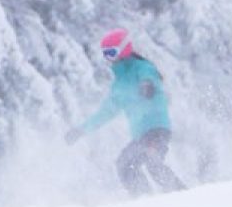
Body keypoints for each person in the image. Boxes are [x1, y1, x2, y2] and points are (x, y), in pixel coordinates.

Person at [67, 28, 185, 196]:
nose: (110, 58)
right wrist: (81, 130)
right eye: (106, 54)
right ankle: (145, 199)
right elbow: (105, 113)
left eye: (112, 52)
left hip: (156, 128)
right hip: (140, 135)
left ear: (124, 49)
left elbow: (150, 76)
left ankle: (183, 195)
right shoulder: (119, 84)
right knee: (124, 165)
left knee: (153, 161)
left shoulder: (141, 67)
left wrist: (147, 85)